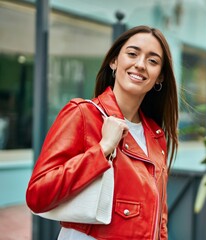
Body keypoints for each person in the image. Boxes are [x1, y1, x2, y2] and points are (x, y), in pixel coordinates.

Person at [26, 25, 179, 240]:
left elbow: (159, 219)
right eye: (132, 54)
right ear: (114, 61)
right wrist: (102, 149)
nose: (140, 65)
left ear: (160, 77)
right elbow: (37, 195)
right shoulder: (83, 114)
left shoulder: (156, 136)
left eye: (152, 61)